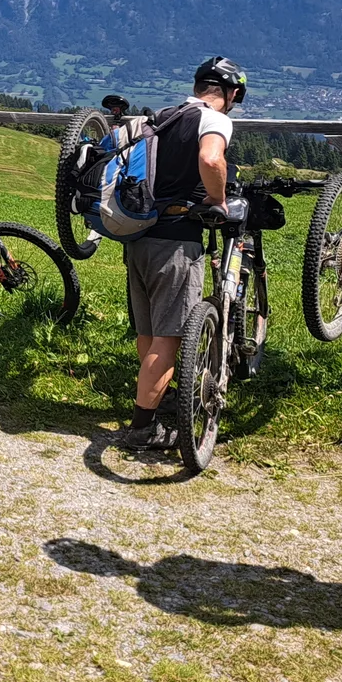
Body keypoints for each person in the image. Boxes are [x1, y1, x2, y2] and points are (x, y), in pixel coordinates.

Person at [122, 56, 247, 450]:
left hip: (139, 235)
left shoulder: (163, 115)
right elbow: (211, 158)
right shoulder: (214, 119)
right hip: (177, 240)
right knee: (169, 338)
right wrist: (218, 199)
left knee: (149, 332)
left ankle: (154, 408)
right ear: (232, 94)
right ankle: (142, 429)